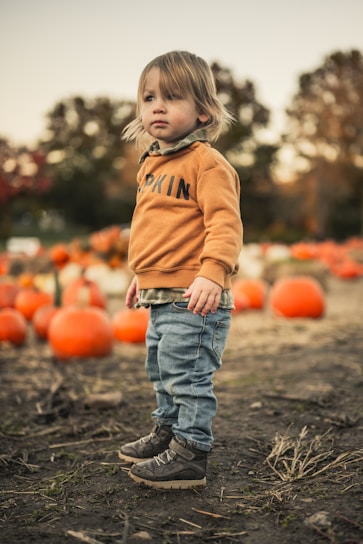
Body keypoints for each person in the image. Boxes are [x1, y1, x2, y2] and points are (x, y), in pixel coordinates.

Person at [118, 50, 243, 489]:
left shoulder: (206, 163)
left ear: (203, 112)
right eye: (149, 96)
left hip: (195, 295)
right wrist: (143, 274)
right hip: (161, 293)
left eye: (171, 97)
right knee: (162, 370)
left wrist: (214, 271)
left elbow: (225, 224)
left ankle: (190, 452)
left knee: (187, 374)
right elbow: (156, 229)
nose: (157, 106)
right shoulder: (151, 164)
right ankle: (168, 431)